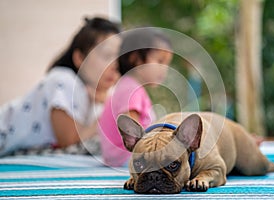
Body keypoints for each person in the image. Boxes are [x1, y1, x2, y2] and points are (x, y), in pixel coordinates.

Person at [0, 17, 121, 156]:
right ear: (80, 58)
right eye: (106, 56)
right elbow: (68, 141)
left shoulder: (95, 96)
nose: (115, 65)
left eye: (120, 58)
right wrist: (107, 112)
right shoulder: (63, 80)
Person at [99, 29, 173, 167]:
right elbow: (131, 129)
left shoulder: (127, 85)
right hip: (127, 158)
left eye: (167, 63)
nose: (165, 69)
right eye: (160, 61)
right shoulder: (131, 89)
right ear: (136, 59)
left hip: (117, 159)